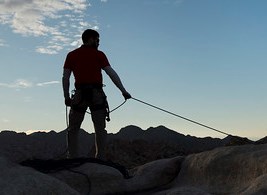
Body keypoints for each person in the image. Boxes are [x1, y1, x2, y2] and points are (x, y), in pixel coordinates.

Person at [62, 29, 131, 159]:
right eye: (97, 40)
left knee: (73, 128)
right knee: (100, 128)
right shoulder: (99, 55)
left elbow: (65, 77)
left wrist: (66, 96)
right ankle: (100, 158)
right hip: (96, 94)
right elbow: (111, 73)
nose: (98, 42)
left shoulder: (72, 55)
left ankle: (72, 158)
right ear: (90, 39)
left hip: (79, 94)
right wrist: (123, 91)